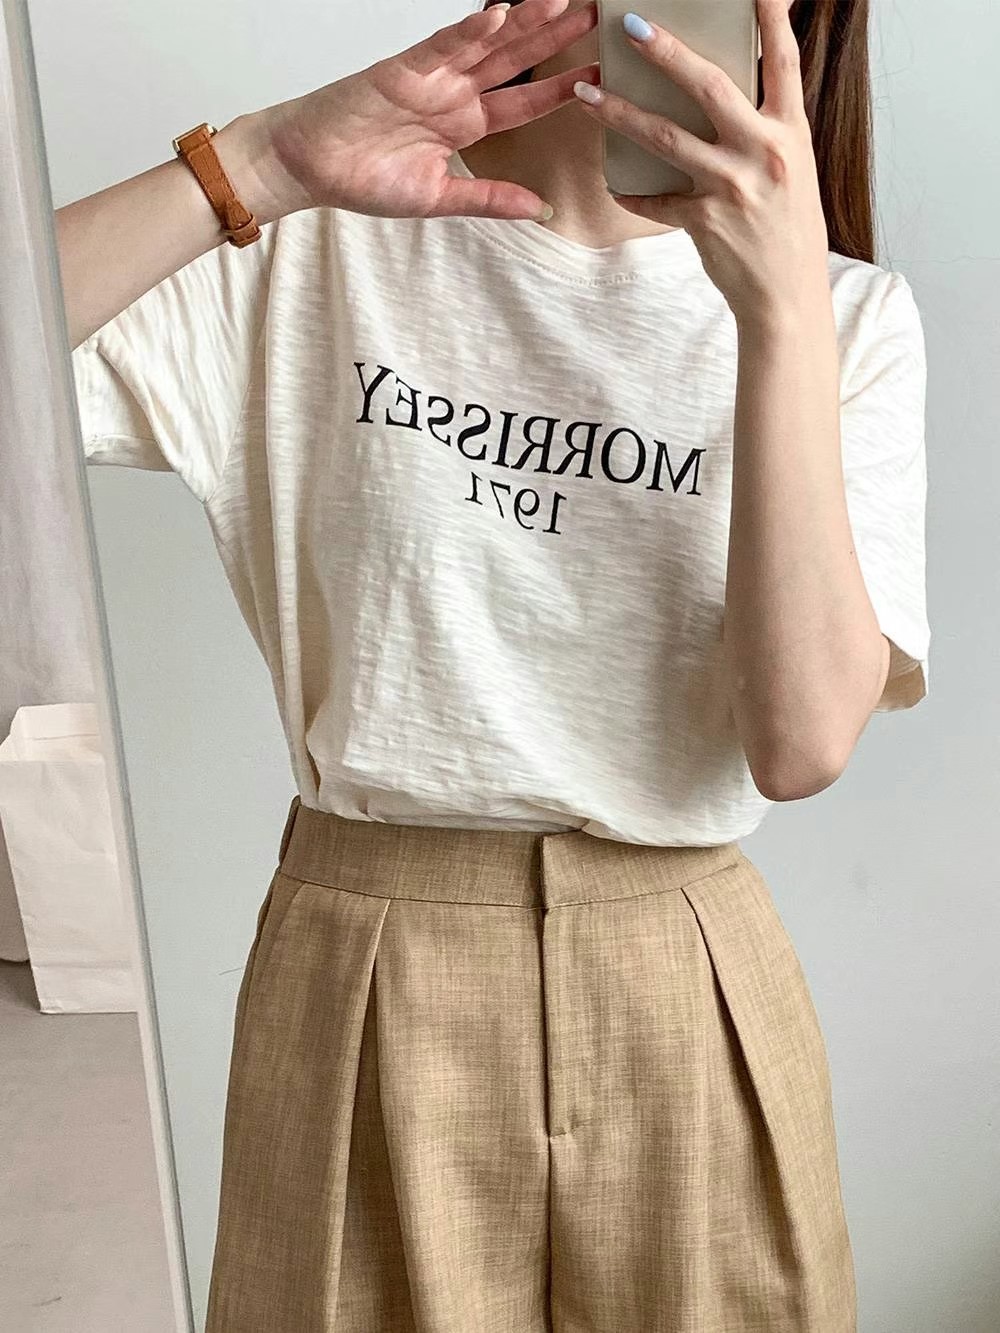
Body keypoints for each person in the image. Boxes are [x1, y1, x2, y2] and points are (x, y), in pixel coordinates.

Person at [57, 0, 929, 1326]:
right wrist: (267, 162)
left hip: (686, 986)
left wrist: (781, 315)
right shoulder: (311, 244)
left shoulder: (847, 321)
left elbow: (802, 742)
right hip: (369, 964)